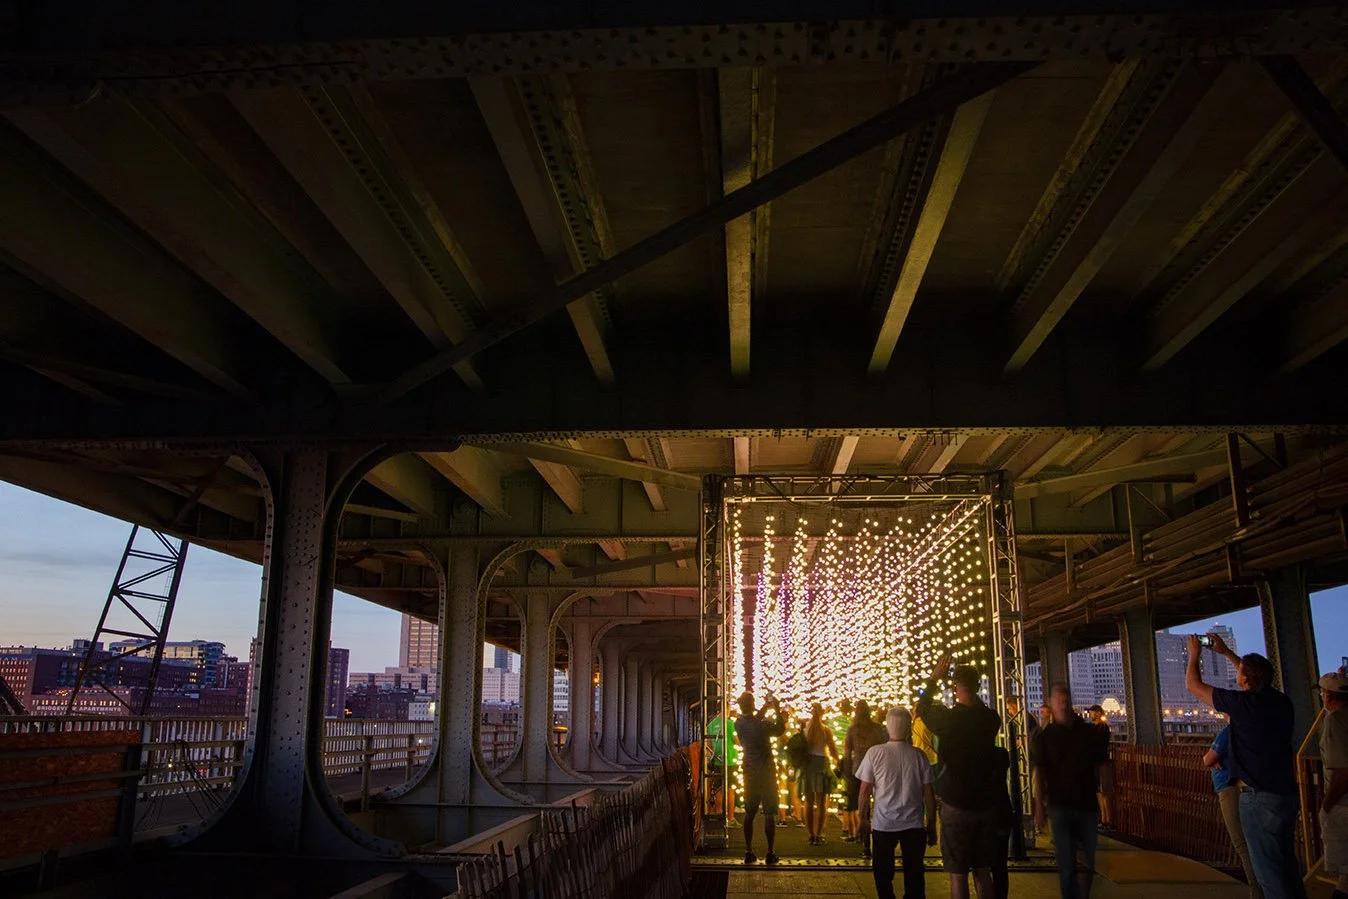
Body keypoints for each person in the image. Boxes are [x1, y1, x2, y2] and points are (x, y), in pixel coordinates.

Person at [1186, 633, 1306, 899]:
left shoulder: (1242, 704)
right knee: (1287, 868)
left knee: (1269, 875)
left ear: (1245, 680)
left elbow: (1193, 685)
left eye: (1240, 673)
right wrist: (1228, 653)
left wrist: (1194, 654)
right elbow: (1256, 678)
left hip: (1257, 797)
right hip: (1285, 794)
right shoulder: (1282, 702)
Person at [916, 654, 1002, 899]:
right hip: (985, 802)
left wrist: (934, 679)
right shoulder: (991, 719)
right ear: (978, 686)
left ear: (955, 688)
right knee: (983, 869)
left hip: (956, 802)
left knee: (958, 873)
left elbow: (922, 707)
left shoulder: (949, 720)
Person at [1033, 684, 1112, 899]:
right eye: (1058, 699)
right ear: (1051, 703)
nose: (1063, 703)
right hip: (1060, 805)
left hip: (1084, 803)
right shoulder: (1046, 737)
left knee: (1085, 862)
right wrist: (1039, 806)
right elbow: (1040, 773)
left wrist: (1107, 790)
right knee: (1068, 862)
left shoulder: (1087, 733)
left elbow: (1102, 763)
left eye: (1065, 698)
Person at [857, 707, 937, 899]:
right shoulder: (919, 756)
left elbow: (864, 791)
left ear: (888, 727)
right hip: (913, 823)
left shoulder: (875, 753)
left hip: (884, 822)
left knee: (882, 872)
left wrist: (863, 819)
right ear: (909, 728)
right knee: (914, 874)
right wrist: (931, 822)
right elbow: (928, 793)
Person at [1204, 723, 1263, 899]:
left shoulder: (1227, 732)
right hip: (1247, 786)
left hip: (1230, 787)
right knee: (1254, 841)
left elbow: (1207, 760)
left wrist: (1212, 758)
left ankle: (1257, 891)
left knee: (1242, 843)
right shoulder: (1248, 730)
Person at [734, 691, 785, 865]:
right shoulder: (763, 725)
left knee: (749, 813)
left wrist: (764, 707)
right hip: (767, 773)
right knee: (769, 813)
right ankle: (770, 852)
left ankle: (749, 851)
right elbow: (779, 729)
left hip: (749, 772)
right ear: (753, 704)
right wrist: (776, 708)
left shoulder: (739, 724)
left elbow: (753, 721)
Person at [1318, 670, 1348, 899]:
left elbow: (1342, 771)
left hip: (1343, 804)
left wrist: (1326, 806)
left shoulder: (1334, 721)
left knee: (1345, 869)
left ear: (1327, 696)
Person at [845, 699, 887, 855]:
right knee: (879, 804)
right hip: (878, 769)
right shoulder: (877, 728)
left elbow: (847, 753)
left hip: (859, 770)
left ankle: (866, 843)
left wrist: (847, 774)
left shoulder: (852, 729)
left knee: (863, 806)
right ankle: (878, 838)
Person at [803, 701, 840, 845]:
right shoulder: (826, 730)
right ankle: (819, 833)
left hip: (808, 765)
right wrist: (838, 761)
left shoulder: (805, 728)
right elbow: (832, 749)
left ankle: (810, 834)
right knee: (821, 802)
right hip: (822, 764)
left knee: (808, 801)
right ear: (822, 713)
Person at [1084, 705, 1114, 831]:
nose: (1090, 715)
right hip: (1097, 763)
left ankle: (1108, 820)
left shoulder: (1102, 727)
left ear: (1097, 713)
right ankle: (1104, 819)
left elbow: (1095, 743)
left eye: (1091, 713)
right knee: (1099, 792)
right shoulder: (1096, 728)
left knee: (1104, 792)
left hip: (1101, 763)